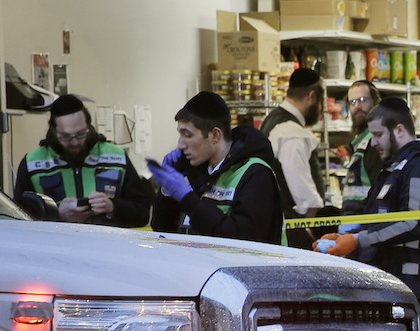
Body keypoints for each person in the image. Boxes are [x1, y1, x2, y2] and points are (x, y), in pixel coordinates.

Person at [313, 98, 420, 325]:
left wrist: (357, 240)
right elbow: (379, 221)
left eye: (379, 135)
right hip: (398, 282)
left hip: (418, 286)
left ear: (399, 130)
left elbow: (415, 223)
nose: (374, 143)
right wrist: (344, 238)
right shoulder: (394, 169)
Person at [145, 91, 285, 244]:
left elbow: (244, 240)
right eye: (180, 135)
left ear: (215, 136)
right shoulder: (196, 171)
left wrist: (187, 199)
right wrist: (167, 192)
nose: (180, 144)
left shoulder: (255, 174)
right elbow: (164, 231)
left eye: (188, 135)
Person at [12, 94, 153, 226]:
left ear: (89, 126)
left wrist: (112, 207)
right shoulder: (32, 163)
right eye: (65, 136)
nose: (74, 143)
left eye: (80, 134)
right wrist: (57, 214)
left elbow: (142, 212)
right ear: (53, 131)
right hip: (56, 247)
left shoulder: (117, 157)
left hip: (106, 247)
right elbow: (19, 218)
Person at [261, 68, 328, 246]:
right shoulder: (292, 132)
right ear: (312, 97)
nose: (320, 110)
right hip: (294, 231)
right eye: (321, 103)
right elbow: (303, 192)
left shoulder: (271, 120)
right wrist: (319, 228)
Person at [342, 80, 382, 212]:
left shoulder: (376, 143)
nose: (357, 106)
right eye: (352, 102)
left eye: (363, 100)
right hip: (355, 225)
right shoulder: (361, 143)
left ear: (377, 102)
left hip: (366, 226)